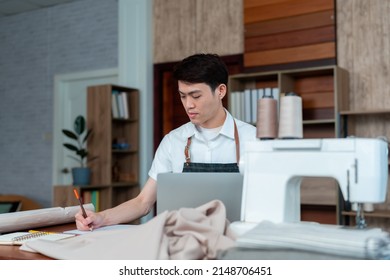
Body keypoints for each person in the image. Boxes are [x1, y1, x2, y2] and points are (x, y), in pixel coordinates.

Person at [75, 53, 256, 230]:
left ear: (221, 91)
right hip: (184, 243)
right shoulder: (173, 141)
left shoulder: (254, 140)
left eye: (196, 96)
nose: (188, 105)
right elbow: (143, 202)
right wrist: (101, 217)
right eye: (183, 96)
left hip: (237, 243)